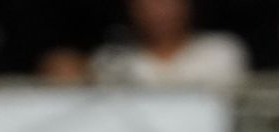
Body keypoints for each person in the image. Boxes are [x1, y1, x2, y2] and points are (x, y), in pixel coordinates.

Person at [93, 0, 248, 87]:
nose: (158, 12)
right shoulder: (111, 60)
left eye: (166, 3)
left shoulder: (221, 51)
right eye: (148, 4)